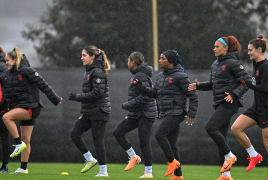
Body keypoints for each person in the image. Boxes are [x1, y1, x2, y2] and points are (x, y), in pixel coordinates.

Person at [188, 36, 251, 180]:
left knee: (210, 128)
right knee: (221, 138)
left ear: (226, 48)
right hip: (219, 103)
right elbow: (212, 84)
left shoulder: (234, 63)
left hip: (230, 103)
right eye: (214, 46)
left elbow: (247, 81)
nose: (214, 49)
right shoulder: (215, 64)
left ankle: (230, 156)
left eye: (217, 46)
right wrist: (198, 86)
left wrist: (234, 95)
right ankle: (226, 175)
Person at [135, 50, 198, 179]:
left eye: (162, 58)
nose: (159, 60)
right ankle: (178, 176)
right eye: (160, 58)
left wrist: (192, 112)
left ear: (170, 61)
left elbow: (193, 95)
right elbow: (155, 93)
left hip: (177, 112)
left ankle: (172, 162)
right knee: (172, 143)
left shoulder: (181, 76)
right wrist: (141, 87)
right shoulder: (160, 76)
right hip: (166, 112)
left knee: (160, 135)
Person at [1, 47, 62, 174]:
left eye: (7, 60)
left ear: (14, 60)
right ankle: (23, 168)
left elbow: (43, 85)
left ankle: (17, 143)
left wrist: (55, 99)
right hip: (19, 107)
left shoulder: (27, 71)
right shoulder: (5, 75)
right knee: (26, 140)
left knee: (7, 117)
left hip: (31, 107)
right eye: (4, 60)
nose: (5, 63)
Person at [231, 35, 268, 180]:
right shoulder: (257, 64)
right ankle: (254, 155)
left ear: (259, 50)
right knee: (236, 128)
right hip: (257, 108)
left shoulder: (266, 66)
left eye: (251, 50)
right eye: (248, 50)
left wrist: (247, 83)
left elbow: (264, 88)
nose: (249, 53)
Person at [113, 52, 157, 178]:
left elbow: (146, 96)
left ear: (132, 61)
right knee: (118, 132)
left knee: (144, 142)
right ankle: (133, 156)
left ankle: (148, 172)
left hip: (146, 113)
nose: (127, 64)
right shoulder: (138, 75)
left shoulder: (141, 76)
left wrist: (128, 104)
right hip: (136, 113)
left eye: (128, 61)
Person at [69, 45, 111, 177]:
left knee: (97, 140)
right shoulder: (89, 71)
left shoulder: (97, 72)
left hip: (100, 110)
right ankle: (90, 159)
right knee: (75, 134)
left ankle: (103, 171)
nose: (81, 58)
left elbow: (97, 93)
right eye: (81, 55)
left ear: (92, 56)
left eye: (84, 55)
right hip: (89, 111)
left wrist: (77, 97)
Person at [0, 47, 9, 173]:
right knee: (4, 137)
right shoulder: (6, 65)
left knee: (4, 136)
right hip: (6, 107)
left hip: (3, 106)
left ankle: (5, 166)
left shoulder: (2, 66)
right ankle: (5, 165)